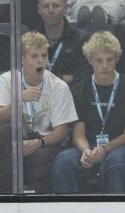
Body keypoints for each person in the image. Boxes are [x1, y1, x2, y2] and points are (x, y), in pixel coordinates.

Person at [51, 32, 125, 194]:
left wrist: (105, 149)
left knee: (117, 161)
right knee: (64, 161)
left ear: (117, 59)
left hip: (117, 147)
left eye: (109, 59)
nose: (105, 65)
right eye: (99, 60)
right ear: (90, 60)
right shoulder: (79, 89)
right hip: (88, 145)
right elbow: (78, 133)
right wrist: (86, 151)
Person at [0, 32, 79, 193]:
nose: (41, 61)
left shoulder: (59, 86)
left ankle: (38, 203)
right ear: (22, 59)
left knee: (40, 156)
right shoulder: (7, 80)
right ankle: (8, 195)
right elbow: (1, 118)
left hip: (46, 142)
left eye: (44, 55)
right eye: (34, 56)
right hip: (16, 140)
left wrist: (39, 143)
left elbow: (61, 132)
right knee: (6, 132)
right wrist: (18, 100)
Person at [34, 0, 87, 86]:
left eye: (55, 5)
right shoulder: (30, 41)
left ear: (66, 8)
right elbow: (28, 78)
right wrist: (63, 78)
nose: (50, 10)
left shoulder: (82, 40)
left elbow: (82, 82)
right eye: (45, 6)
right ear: (39, 9)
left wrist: (44, 79)